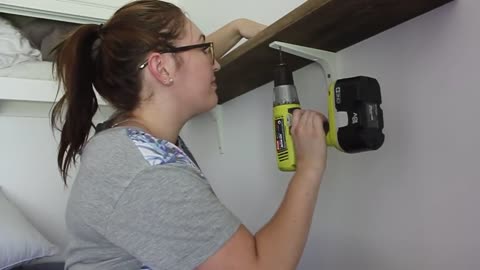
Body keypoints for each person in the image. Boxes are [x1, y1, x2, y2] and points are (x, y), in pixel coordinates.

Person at [50, 0, 328, 269]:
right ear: (162, 68)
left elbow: (176, 64)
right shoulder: (147, 170)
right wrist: (309, 168)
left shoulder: (128, 140)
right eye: (205, 48)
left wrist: (238, 27)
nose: (215, 63)